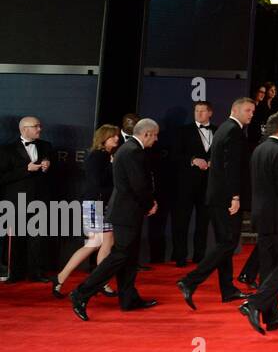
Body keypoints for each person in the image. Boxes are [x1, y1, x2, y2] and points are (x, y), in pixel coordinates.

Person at [69, 119, 162, 319]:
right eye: (155, 135)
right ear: (146, 134)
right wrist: (150, 203)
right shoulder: (132, 152)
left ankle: (129, 299)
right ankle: (81, 293)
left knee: (128, 257)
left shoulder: (128, 150)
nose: (156, 139)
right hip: (125, 213)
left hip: (128, 212)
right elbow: (138, 185)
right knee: (119, 256)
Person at [177, 98, 257, 308]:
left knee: (226, 243)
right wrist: (235, 196)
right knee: (227, 243)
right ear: (235, 109)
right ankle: (190, 280)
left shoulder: (224, 128)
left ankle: (227, 289)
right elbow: (231, 168)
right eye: (248, 110)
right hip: (225, 198)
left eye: (253, 111)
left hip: (217, 196)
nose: (251, 114)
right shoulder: (233, 131)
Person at [235, 108, 278, 334]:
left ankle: (272, 317)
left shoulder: (259, 150)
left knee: (268, 268)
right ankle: (254, 303)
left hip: (261, 218)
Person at [54, 125, 121, 297]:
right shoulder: (97, 157)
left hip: (102, 204)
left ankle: (100, 281)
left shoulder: (106, 156)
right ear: (103, 138)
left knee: (106, 241)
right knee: (95, 243)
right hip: (94, 204)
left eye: (117, 136)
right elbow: (97, 182)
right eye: (113, 136)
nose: (117, 139)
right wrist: (113, 167)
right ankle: (62, 277)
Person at [1, 116, 56, 283]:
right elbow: (2, 177)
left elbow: (53, 173)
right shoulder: (7, 150)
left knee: (37, 238)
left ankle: (36, 273)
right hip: (16, 201)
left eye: (40, 125)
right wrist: (26, 169)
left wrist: (47, 165)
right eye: (36, 126)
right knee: (16, 238)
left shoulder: (46, 146)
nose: (40, 129)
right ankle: (15, 273)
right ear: (24, 129)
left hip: (39, 199)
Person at [170, 101, 214, 267]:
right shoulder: (183, 131)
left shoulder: (217, 131)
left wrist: (213, 162)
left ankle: (199, 256)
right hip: (185, 185)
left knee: (203, 223)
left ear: (210, 113)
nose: (199, 114)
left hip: (208, 185)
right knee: (182, 221)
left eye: (203, 111)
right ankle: (180, 256)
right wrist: (192, 160)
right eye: (196, 111)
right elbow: (174, 156)